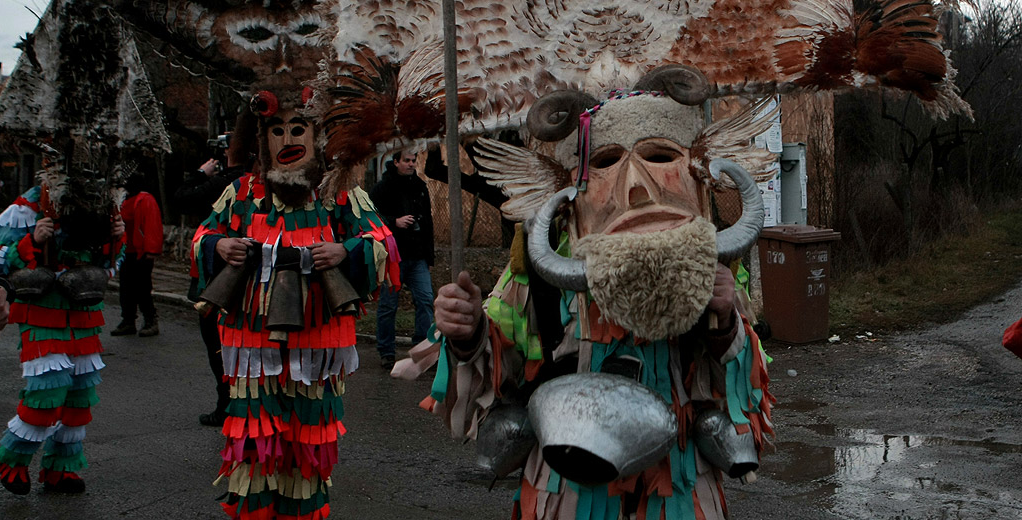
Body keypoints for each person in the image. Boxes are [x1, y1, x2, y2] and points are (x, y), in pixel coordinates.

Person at [406, 76, 774, 520]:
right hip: (565, 494)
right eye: (605, 161)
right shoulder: (536, 276)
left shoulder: (718, 272)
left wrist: (725, 321)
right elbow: (491, 390)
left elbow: (745, 403)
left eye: (659, 156)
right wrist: (467, 333)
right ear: (570, 193)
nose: (636, 187)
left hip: (677, 489)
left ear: (697, 175)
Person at [192, 90, 399, 519]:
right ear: (263, 141)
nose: (288, 137)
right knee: (254, 447)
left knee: (308, 447)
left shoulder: (338, 191)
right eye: (277, 130)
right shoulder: (242, 193)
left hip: (318, 344)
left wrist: (345, 251)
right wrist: (220, 245)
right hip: (251, 345)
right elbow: (200, 239)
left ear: (316, 136)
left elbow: (384, 241)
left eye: (298, 128)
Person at [0, 184, 125, 496]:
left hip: (83, 312)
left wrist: (116, 237)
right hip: (41, 312)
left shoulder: (100, 203)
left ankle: (60, 470)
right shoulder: (25, 207)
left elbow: (109, 265)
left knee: (79, 396)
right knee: (48, 389)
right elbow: (1, 259)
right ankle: (11, 461)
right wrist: (33, 240)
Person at [174, 122, 256, 427]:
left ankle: (228, 404)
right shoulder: (235, 184)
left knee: (219, 346)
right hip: (227, 275)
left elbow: (181, 198)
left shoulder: (227, 182)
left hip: (219, 281)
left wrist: (202, 173)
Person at [370, 150, 435, 370]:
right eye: (406, 160)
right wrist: (394, 221)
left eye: (414, 160)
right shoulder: (382, 188)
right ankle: (386, 351)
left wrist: (428, 256)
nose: (411, 164)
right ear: (395, 161)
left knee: (426, 300)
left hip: (417, 255)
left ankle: (422, 349)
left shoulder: (420, 187)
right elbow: (370, 218)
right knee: (388, 306)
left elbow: (428, 223)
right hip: (392, 255)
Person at [110, 173, 164, 337]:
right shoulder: (122, 201)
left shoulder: (145, 199)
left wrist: (151, 250)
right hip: (126, 252)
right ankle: (128, 321)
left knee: (142, 288)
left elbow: (152, 225)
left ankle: (150, 320)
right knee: (126, 288)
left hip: (141, 252)